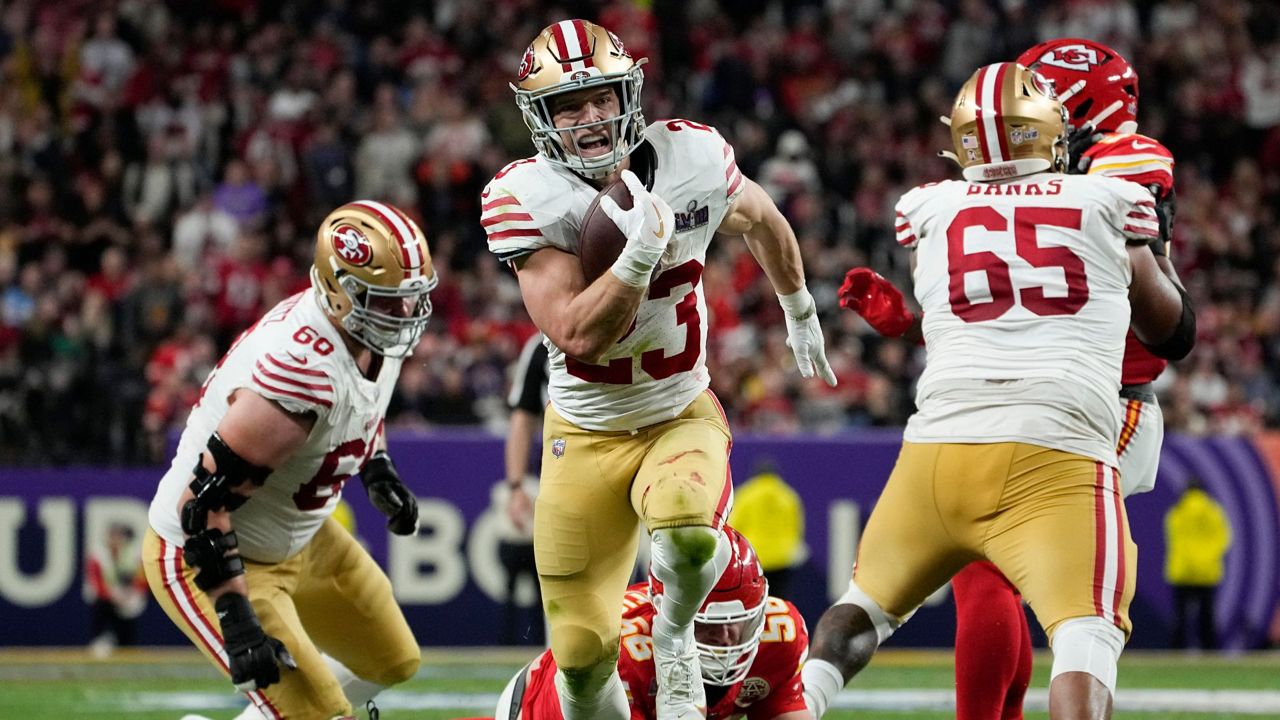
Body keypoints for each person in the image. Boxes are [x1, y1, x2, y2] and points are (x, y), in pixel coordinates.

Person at [803, 61, 1195, 720]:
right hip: (1060, 440)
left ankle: (802, 703)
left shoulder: (925, 206)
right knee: (1084, 631)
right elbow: (1172, 332)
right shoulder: (1109, 198)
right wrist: (1146, 259)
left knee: (859, 613)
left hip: (943, 446)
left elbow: (989, 310)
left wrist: (906, 324)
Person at [481, 19, 835, 720]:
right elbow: (578, 334)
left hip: (679, 410)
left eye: (601, 99)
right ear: (540, 119)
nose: (589, 119)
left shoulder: (692, 156)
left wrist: (798, 304)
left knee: (682, 521)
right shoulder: (527, 196)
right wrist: (638, 258)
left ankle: (673, 638)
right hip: (584, 432)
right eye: (568, 107)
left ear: (628, 96)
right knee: (582, 665)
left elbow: (762, 218)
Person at [143, 200, 437, 720]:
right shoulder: (301, 373)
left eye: (409, 299)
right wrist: (236, 618)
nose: (405, 314)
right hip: (212, 553)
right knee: (324, 715)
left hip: (303, 533)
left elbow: (362, 407)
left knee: (392, 659)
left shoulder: (368, 333)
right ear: (341, 291)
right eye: (388, 302)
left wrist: (377, 465)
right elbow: (202, 506)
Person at [492, 526, 813, 720]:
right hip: (538, 708)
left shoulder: (780, 634)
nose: (727, 638)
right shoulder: (624, 646)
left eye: (738, 623)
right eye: (708, 625)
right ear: (670, 612)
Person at [499, 331, 550, 645]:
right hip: (565, 470)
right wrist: (516, 486)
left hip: (629, 466)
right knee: (562, 584)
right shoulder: (541, 346)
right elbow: (523, 416)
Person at [1164, 476, 1231, 650]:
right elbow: (1223, 539)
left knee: (1180, 616)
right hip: (1207, 571)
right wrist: (1206, 558)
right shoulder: (1213, 511)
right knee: (1207, 616)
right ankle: (1210, 651)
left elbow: (1173, 538)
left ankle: (1177, 652)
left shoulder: (1177, 512)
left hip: (1182, 571)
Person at [728, 461, 808, 598]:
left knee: (754, 598)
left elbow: (734, 526)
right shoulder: (788, 496)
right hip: (782, 557)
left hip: (754, 556)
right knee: (779, 597)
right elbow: (796, 527)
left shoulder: (746, 495)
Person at [84, 522, 148, 657]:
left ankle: (127, 651)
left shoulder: (132, 555)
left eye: (119, 536)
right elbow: (96, 583)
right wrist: (114, 595)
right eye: (113, 536)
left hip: (128, 600)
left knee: (127, 634)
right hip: (106, 601)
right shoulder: (98, 556)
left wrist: (130, 594)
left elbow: (142, 580)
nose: (116, 540)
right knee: (100, 608)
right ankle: (98, 643)